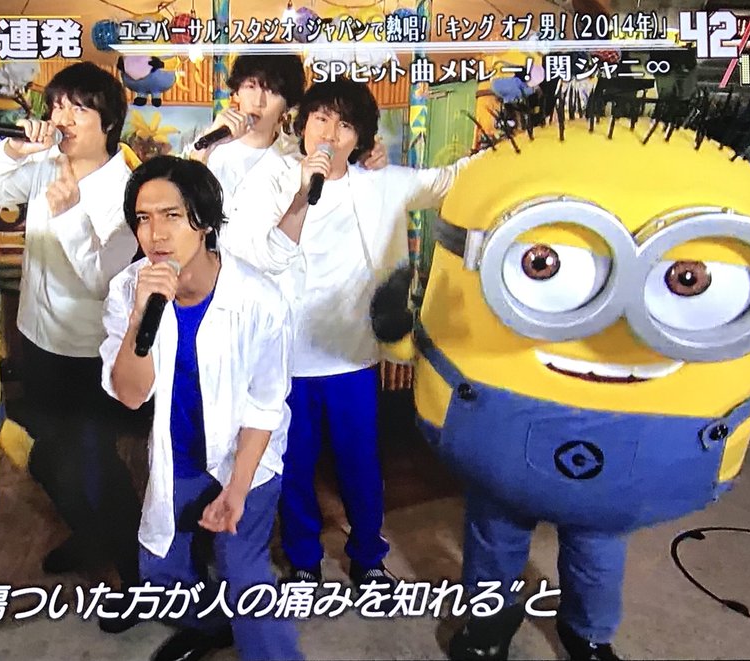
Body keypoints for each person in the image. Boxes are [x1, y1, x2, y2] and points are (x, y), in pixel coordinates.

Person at [223, 77, 475, 589]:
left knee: (360, 465)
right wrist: (299, 194)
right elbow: (243, 248)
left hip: (350, 356)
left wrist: (523, 148)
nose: (329, 133)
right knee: (293, 465)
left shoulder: (380, 184)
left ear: (359, 138)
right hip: (284, 356)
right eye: (321, 118)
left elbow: (448, 180)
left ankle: (368, 557)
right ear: (303, 124)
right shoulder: (268, 181)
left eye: (344, 125)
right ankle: (303, 559)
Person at [0, 62, 144, 619]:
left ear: (107, 122)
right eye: (58, 105)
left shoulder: (128, 189)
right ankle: (90, 537)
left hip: (89, 353)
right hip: (37, 339)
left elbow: (102, 280)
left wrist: (68, 215)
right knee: (48, 458)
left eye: (78, 108)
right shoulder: (44, 164)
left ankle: (135, 575)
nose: (62, 117)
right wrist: (15, 152)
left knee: (95, 465)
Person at [102, 155, 301, 661]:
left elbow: (265, 405)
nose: (156, 234)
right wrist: (140, 318)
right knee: (160, 570)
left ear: (206, 221)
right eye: (143, 219)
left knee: (243, 573)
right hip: (179, 456)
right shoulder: (129, 290)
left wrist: (236, 490)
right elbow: (130, 394)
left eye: (172, 215)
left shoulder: (259, 298)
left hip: (245, 457)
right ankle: (211, 627)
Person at [187, 54, 387, 219]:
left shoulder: (298, 158)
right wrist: (204, 150)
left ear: (288, 105)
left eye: (272, 92)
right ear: (236, 92)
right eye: (250, 86)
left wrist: (368, 155)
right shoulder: (204, 146)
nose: (258, 101)